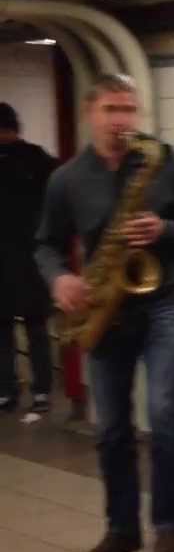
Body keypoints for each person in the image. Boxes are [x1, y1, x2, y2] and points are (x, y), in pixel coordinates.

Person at [35, 73, 174, 552]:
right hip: (105, 309)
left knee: (163, 415)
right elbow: (45, 243)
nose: (122, 120)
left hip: (163, 303)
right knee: (111, 427)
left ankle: (170, 527)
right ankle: (121, 530)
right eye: (112, 109)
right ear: (92, 113)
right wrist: (60, 279)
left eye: (129, 110)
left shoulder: (166, 162)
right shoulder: (67, 178)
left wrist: (165, 228)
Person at [0, 102, 58, 414]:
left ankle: (13, 392)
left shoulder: (37, 161)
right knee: (30, 328)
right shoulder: (40, 160)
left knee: (13, 329)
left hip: (21, 257)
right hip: (29, 256)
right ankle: (36, 392)